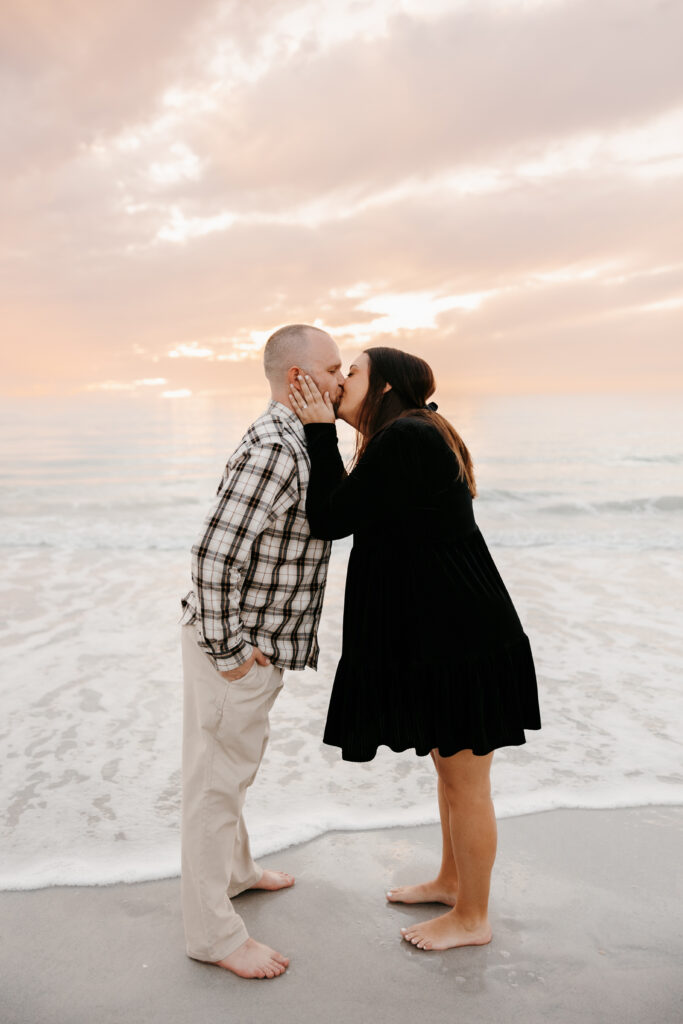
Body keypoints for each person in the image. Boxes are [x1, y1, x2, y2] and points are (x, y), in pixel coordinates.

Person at [288, 347, 541, 952]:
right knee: (449, 770)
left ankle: (473, 917)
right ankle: (453, 881)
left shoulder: (406, 438)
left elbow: (328, 516)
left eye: (352, 371)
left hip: (462, 640)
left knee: (466, 781)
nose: (341, 378)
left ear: (386, 386)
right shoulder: (407, 435)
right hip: (447, 634)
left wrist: (320, 431)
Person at [179, 324, 345, 979]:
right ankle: (212, 936)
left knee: (232, 771)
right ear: (296, 377)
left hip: (249, 645)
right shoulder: (277, 447)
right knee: (214, 787)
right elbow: (213, 555)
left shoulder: (295, 437)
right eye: (331, 368)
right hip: (236, 647)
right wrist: (232, 654)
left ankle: (237, 872)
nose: (339, 379)